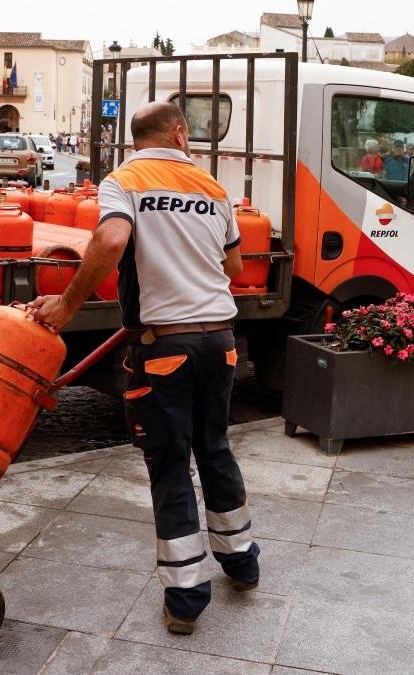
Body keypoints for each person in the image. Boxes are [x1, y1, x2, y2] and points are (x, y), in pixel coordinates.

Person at [27, 102, 259, 636]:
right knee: (215, 448)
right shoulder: (212, 188)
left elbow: (110, 242)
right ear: (179, 132)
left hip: (166, 347)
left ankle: (186, 597)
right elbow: (234, 266)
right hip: (221, 341)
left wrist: (65, 306)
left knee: (171, 460)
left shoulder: (123, 181)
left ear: (136, 140)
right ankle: (242, 561)